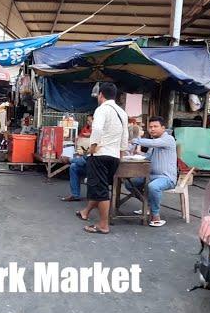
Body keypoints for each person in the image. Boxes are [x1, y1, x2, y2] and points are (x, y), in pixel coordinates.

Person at [76, 83, 128, 235]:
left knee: (100, 190)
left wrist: (93, 147)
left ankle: (103, 225)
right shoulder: (122, 112)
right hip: (114, 155)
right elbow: (125, 135)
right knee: (102, 187)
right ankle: (86, 212)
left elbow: (97, 129)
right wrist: (122, 152)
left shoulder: (102, 109)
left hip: (100, 154)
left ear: (101, 95)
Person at [128, 116, 177, 227]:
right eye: (150, 127)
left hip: (166, 177)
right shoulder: (154, 142)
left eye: (155, 126)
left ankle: (156, 216)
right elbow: (148, 157)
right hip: (151, 175)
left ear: (163, 128)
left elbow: (152, 143)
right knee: (129, 183)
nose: (152, 129)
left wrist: (136, 140)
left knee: (153, 187)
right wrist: (138, 155)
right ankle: (148, 205)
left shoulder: (168, 139)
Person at [61, 115, 93, 202]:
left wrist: (70, 159)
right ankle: (75, 195)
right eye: (88, 121)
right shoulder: (86, 128)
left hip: (97, 165)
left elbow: (87, 157)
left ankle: (69, 160)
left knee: (80, 161)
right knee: (74, 166)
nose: (88, 122)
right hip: (89, 161)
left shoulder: (99, 133)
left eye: (90, 121)